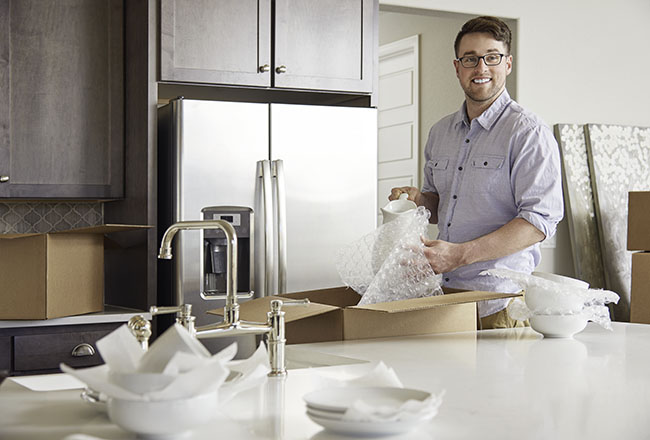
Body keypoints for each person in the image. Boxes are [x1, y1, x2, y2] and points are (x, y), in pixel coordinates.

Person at [389, 16, 563, 329]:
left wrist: (459, 255)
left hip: (500, 304)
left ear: (507, 64)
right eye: (470, 59)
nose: (481, 68)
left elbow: (538, 222)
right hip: (445, 297)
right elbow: (442, 208)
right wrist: (418, 201)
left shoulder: (528, 133)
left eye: (491, 57)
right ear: (458, 67)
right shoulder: (440, 132)